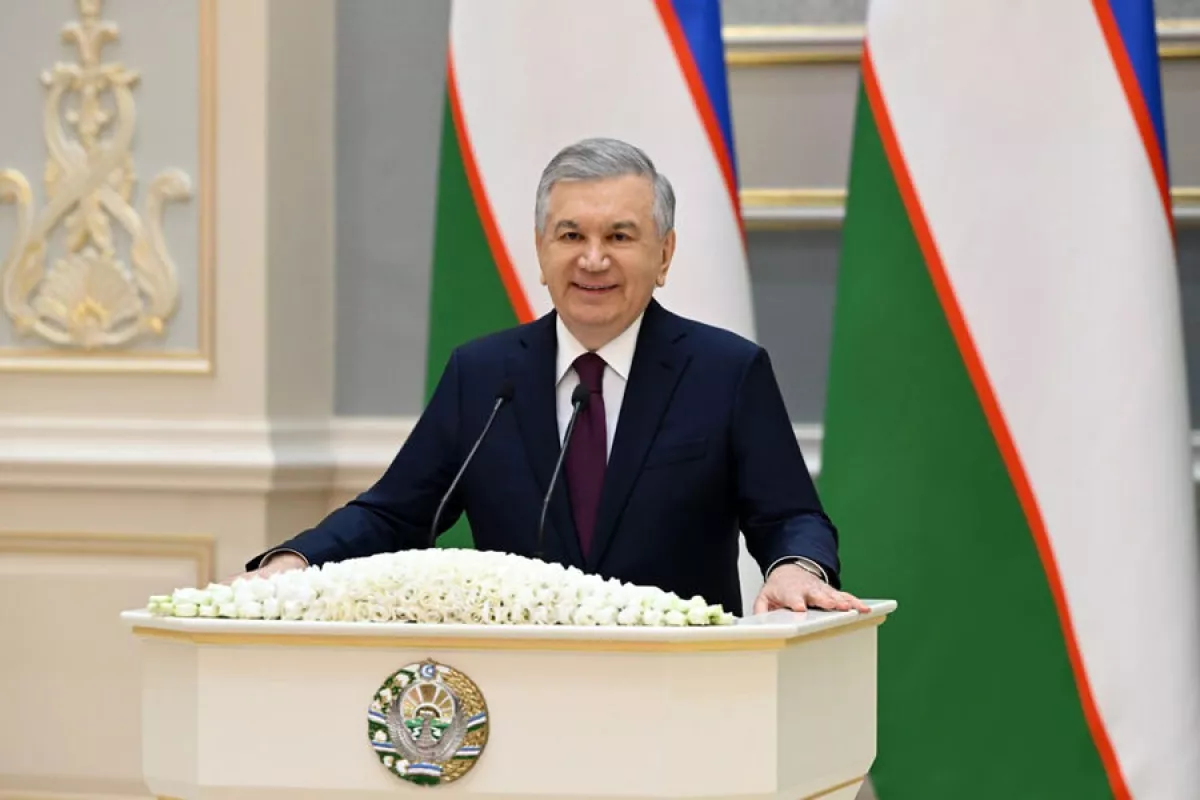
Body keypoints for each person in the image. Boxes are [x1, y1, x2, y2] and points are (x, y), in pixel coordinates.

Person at [242, 137, 868, 617]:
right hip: (518, 689)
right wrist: (296, 560)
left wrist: (796, 567)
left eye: (619, 236)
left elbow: (791, 516)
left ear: (664, 255)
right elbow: (395, 514)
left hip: (680, 687)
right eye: (571, 235)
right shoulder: (483, 375)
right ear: (542, 251)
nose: (593, 259)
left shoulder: (725, 371)